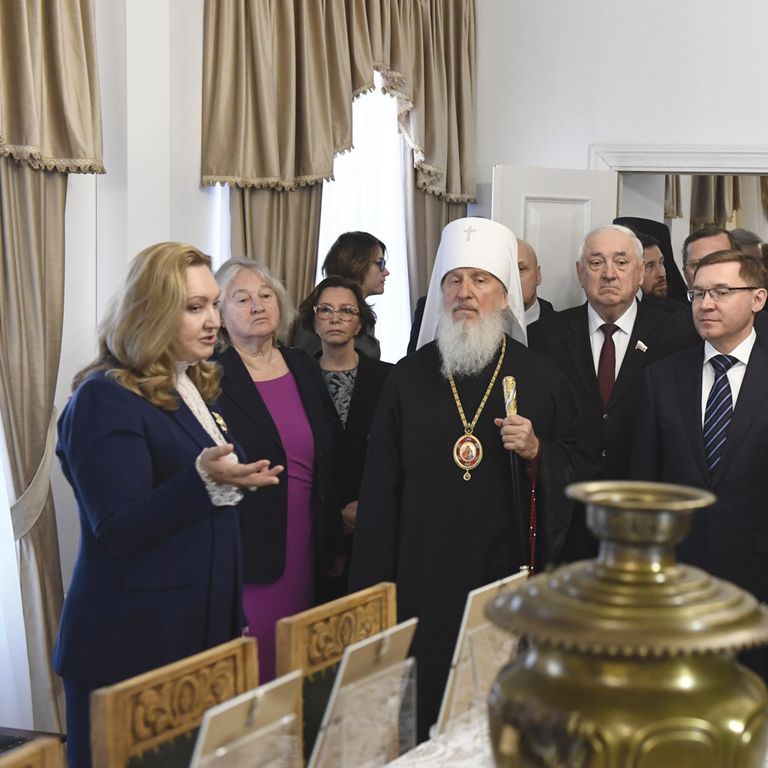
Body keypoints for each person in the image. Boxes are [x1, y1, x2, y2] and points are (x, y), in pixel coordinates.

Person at [349, 217, 598, 738]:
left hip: (505, 574)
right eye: (454, 281)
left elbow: (582, 470)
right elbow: (379, 491)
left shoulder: (542, 378)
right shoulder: (407, 378)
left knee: (498, 715)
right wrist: (373, 590)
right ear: (440, 292)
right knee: (423, 712)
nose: (466, 292)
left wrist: (538, 452)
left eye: (481, 281)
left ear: (505, 296)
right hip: (421, 575)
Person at [54, 243, 282, 768]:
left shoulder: (190, 384)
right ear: (152, 310)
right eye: (194, 307)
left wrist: (234, 480)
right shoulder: (103, 397)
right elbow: (117, 527)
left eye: (213, 304)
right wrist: (204, 481)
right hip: (131, 645)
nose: (213, 322)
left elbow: (203, 494)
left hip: (195, 632)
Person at [630, 250, 768, 702]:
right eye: (699, 293)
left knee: (753, 712)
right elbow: (644, 490)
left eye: (722, 292)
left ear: (759, 298)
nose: (706, 304)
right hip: (678, 583)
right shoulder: (661, 378)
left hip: (764, 585)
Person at [214, 257, 341, 680]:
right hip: (250, 543)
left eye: (266, 296)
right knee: (256, 666)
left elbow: (329, 448)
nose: (257, 306)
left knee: (300, 661)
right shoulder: (210, 378)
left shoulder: (302, 365)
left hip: (308, 536)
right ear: (220, 313)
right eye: (242, 298)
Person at [527, 225, 686, 560]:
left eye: (621, 262)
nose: (609, 274)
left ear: (641, 271)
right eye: (596, 263)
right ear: (580, 273)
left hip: (646, 514)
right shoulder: (544, 337)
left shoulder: (678, 334)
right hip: (567, 515)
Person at [296, 276, 393, 596]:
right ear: (313, 319)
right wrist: (332, 517)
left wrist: (367, 505)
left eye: (346, 311)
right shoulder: (296, 380)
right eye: (325, 310)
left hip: (374, 521)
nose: (335, 318)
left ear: (360, 322)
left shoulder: (389, 379)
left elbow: (396, 453)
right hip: (312, 526)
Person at [408, 239, 555, 353]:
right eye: (455, 280)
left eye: (520, 269)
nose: (464, 293)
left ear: (538, 274)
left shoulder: (557, 329)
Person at [294, 231, 389, 358]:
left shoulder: (361, 310)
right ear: (356, 263)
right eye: (380, 263)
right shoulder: (319, 309)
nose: (386, 272)